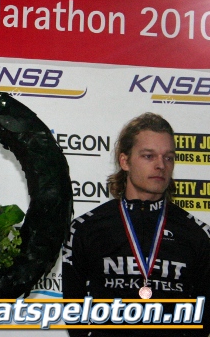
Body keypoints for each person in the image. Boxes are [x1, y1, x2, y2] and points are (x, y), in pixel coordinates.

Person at [62, 112, 210, 336]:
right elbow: (74, 314)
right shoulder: (85, 229)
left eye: (168, 157)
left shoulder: (197, 234)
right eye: (149, 156)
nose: (161, 165)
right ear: (125, 161)